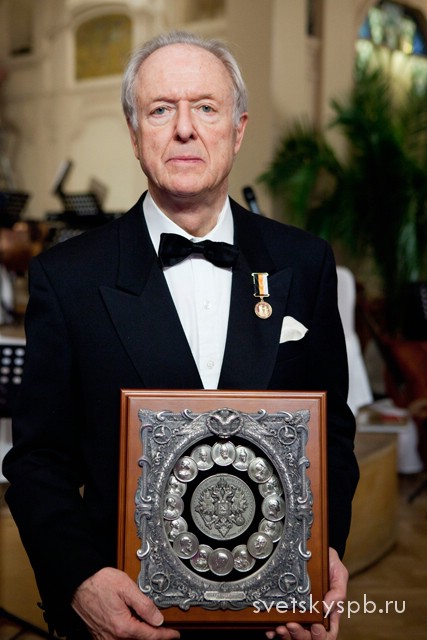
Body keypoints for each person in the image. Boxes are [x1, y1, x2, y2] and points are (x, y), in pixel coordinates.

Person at [3, 30, 359, 640]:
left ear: (238, 130)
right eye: (161, 109)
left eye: (206, 107)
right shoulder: (68, 278)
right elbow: (38, 460)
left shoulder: (305, 263)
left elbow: (332, 436)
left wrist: (319, 556)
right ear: (134, 133)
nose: (185, 129)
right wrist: (80, 579)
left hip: (272, 619)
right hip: (126, 616)